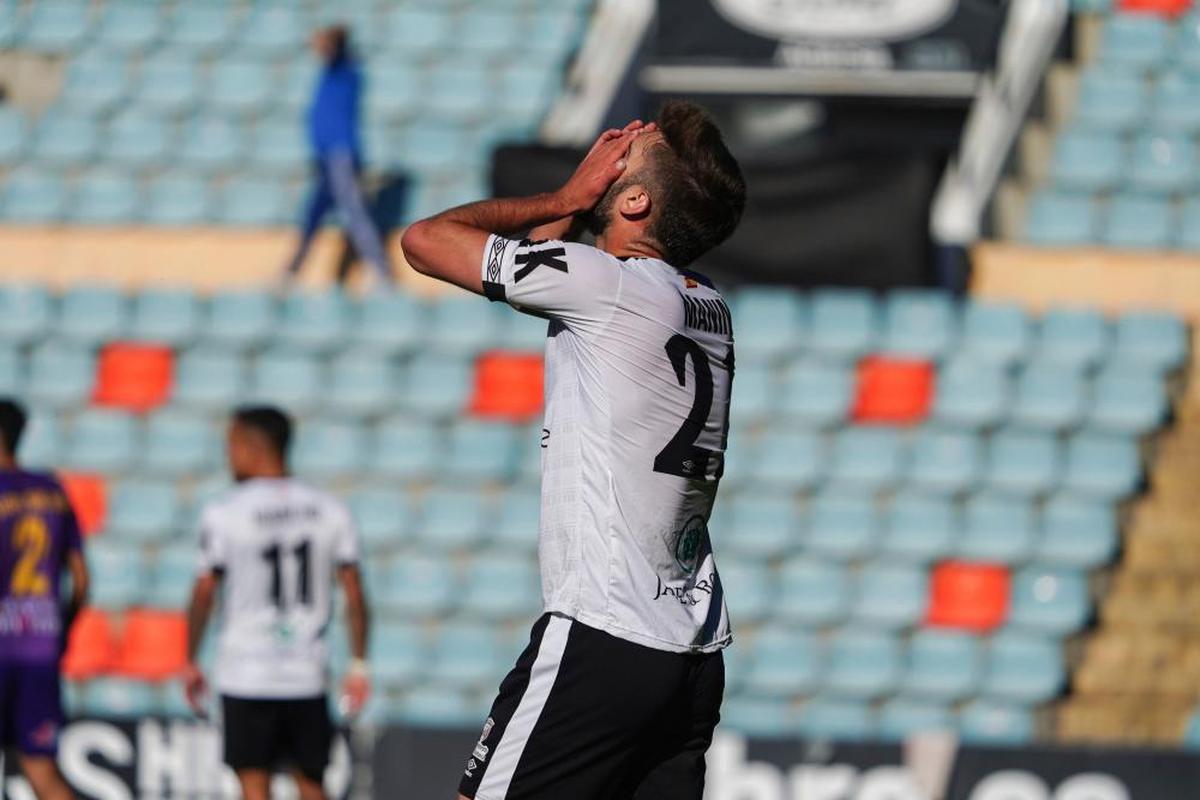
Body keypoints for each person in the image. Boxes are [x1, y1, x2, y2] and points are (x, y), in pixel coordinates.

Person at [401, 102, 746, 799]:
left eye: (624, 153)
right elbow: (537, 258)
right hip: (691, 650)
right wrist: (582, 204)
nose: (606, 154)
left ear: (635, 198)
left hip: (605, 634)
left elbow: (424, 240)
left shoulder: (606, 287)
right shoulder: (705, 302)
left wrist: (567, 195)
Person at [182, 406, 370, 800]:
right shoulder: (329, 509)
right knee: (312, 784)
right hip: (306, 671)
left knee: (253, 785)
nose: (229, 456)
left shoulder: (225, 511)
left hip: (246, 671)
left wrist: (189, 658)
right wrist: (358, 664)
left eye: (232, 445)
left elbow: (204, 592)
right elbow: (353, 590)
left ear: (253, 447)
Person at [0, 398, 89, 800]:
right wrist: (60, 628)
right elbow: (82, 579)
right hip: (39, 646)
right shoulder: (51, 490)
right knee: (41, 769)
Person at [281, 25, 394, 288]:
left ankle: (381, 272)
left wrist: (332, 42)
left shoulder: (346, 70)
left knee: (355, 212)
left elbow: (336, 49)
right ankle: (292, 271)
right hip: (325, 158)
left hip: (340, 155)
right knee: (313, 214)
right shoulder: (329, 73)